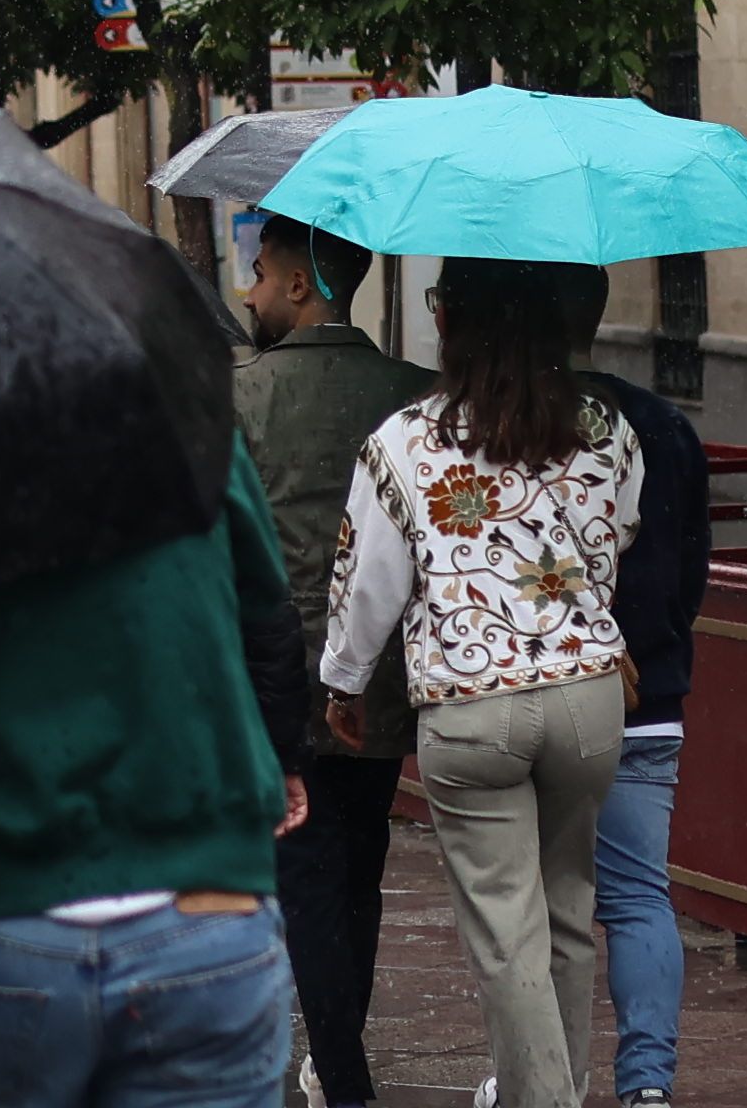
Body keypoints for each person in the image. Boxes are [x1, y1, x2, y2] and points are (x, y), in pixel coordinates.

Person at [0, 428, 311, 1108]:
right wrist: (284, 751)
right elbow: (266, 615)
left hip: (1, 895)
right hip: (204, 889)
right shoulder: (192, 431)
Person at [322, 258, 643, 1108]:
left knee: (507, 932)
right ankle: (554, 1087)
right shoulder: (606, 430)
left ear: (452, 321)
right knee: (568, 910)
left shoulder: (404, 443)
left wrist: (344, 682)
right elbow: (621, 535)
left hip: (471, 704)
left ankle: (545, 1101)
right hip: (587, 696)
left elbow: (367, 588)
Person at [236, 215, 430, 1108]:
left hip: (279, 676)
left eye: (261, 274)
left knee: (307, 873)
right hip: (386, 676)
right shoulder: (415, 393)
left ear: (302, 286)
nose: (249, 291)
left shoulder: (239, 397)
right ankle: (339, 1058)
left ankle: (344, 1074)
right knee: (360, 863)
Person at [555, 271, 711, 1108]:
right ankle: (647, 1085)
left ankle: (544, 1075)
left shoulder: (511, 423)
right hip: (646, 699)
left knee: (540, 904)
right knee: (638, 896)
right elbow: (692, 574)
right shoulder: (663, 425)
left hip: (538, 692)